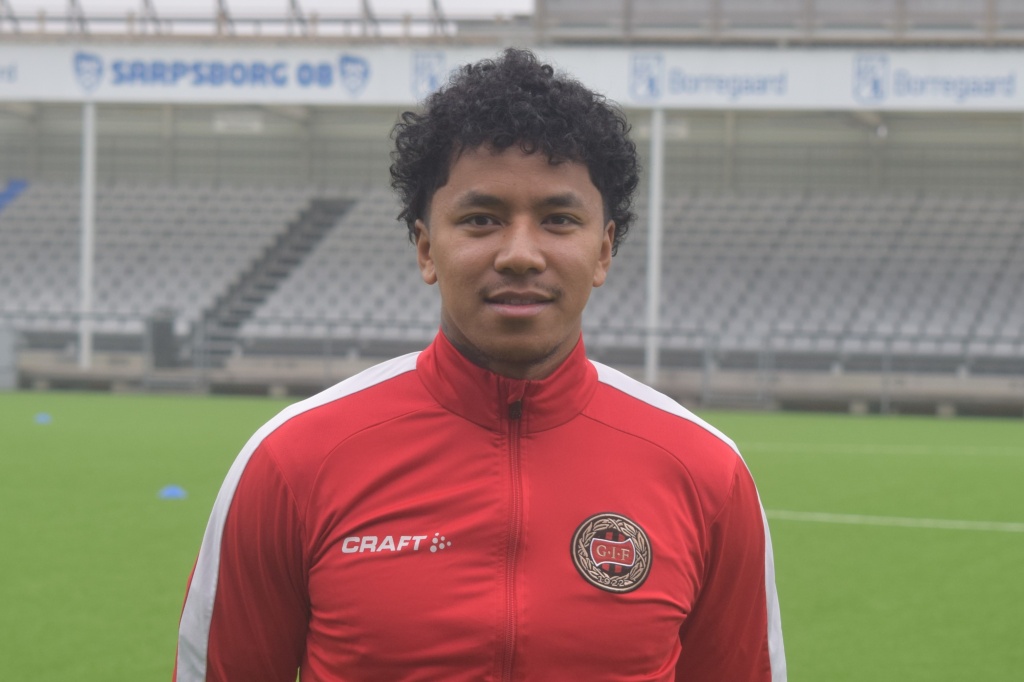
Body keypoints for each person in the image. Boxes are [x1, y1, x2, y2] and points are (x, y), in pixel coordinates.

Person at [175, 47, 785, 681]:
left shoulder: (706, 472)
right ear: (426, 248)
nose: (520, 254)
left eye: (559, 220)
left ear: (603, 251)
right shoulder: (293, 461)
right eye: (481, 219)